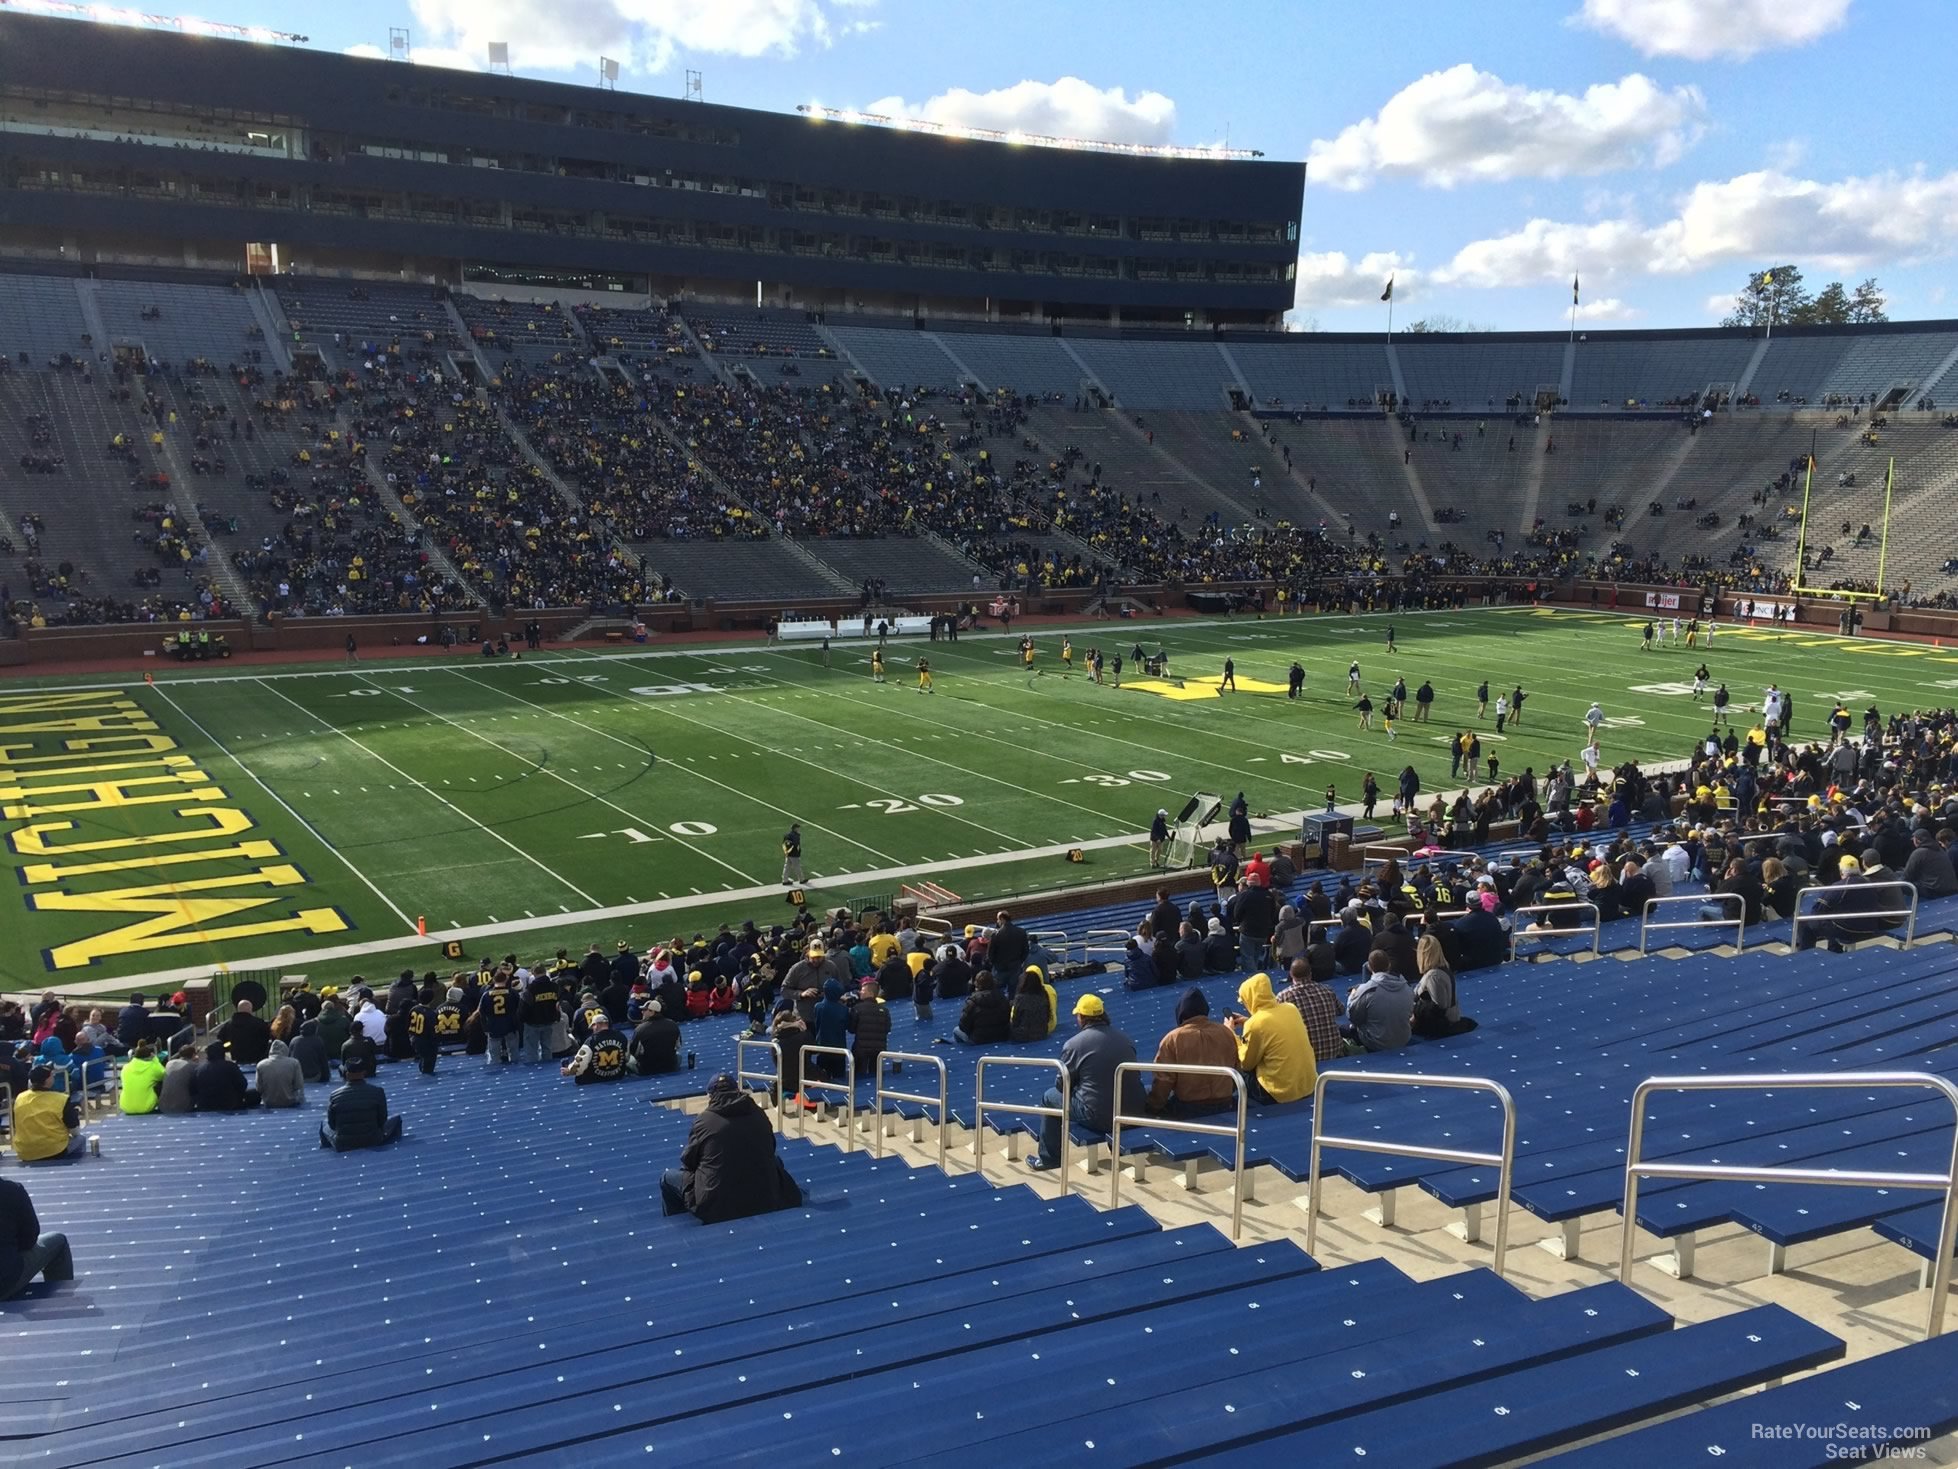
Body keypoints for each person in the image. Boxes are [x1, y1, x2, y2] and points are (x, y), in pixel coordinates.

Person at [661, 1073, 802, 1223]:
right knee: (776, 1160)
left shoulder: (704, 1121)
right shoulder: (758, 1113)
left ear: (711, 1095)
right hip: (765, 1197)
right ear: (737, 1090)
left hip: (717, 1207)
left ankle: (677, 1225)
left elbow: (689, 1162)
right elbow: (771, 1147)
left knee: (667, 1178)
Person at [1032, 995, 1140, 1170]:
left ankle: (1049, 1158)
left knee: (1049, 1097)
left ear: (1082, 1017)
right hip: (1131, 1110)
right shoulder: (1125, 1039)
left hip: (1097, 1115)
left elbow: (1062, 1085)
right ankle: (1117, 1147)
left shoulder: (1074, 1044)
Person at [1146, 988, 1241, 1117]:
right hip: (1225, 1103)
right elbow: (1237, 1069)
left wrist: (1152, 1108)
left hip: (1188, 1108)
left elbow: (1163, 1081)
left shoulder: (1173, 1039)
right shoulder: (1226, 1033)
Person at [1225, 972, 1316, 1104]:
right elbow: (1272, 1027)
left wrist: (1232, 1035)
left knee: (1239, 1074)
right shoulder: (1291, 1009)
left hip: (1278, 1091)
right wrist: (1249, 1021)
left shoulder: (1255, 1024)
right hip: (1308, 1085)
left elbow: (1246, 1063)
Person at [1, 1176, 74, 1299]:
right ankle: (61, 1303)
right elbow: (29, 1239)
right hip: (4, 1282)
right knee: (58, 1241)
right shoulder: (12, 1190)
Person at [318, 1057, 402, 1151]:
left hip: (343, 1143)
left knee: (324, 1123)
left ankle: (325, 1150)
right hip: (373, 1140)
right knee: (396, 1118)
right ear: (364, 1073)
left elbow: (332, 1125)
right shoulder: (377, 1092)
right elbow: (382, 1120)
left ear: (346, 1074)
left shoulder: (334, 1095)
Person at [1276, 955, 1345, 1068]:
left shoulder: (1283, 997)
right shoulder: (1327, 990)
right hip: (1334, 1051)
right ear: (1310, 973)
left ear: (1291, 975)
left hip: (1305, 1056)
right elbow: (1340, 1010)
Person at [11, 1066, 85, 1161]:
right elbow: (75, 1131)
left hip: (25, 1151)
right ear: (48, 1080)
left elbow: (15, 1125)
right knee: (80, 1139)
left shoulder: (19, 1098)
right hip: (54, 1150)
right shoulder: (61, 1099)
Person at [1345, 952, 1414, 1053]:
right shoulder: (1406, 987)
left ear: (1369, 966)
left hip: (1375, 1042)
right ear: (1389, 964)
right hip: (1403, 1039)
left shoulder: (1367, 991)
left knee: (1342, 1029)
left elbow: (1353, 1017)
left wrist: (1352, 997)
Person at [1412, 935, 1476, 1038]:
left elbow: (1440, 1006)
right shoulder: (1442, 970)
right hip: (1448, 1017)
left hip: (1442, 1022)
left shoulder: (1434, 976)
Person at [560, 1015, 629, 1083]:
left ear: (596, 1025)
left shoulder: (591, 1041)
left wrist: (569, 1071)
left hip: (593, 1079)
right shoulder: (621, 1037)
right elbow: (627, 1056)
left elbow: (580, 1062)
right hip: (617, 1076)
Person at [192, 1042, 257, 1111]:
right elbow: (242, 1084)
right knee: (255, 1094)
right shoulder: (230, 1066)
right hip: (230, 1104)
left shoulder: (199, 1069)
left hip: (205, 1105)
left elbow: (193, 1089)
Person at [953, 972, 1010, 1045]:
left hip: (979, 1039)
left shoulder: (972, 1001)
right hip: (1002, 1036)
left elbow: (963, 1025)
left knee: (956, 1030)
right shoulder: (1002, 997)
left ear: (977, 984)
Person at [477, 972, 522, 1065]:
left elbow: (481, 1013)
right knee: (514, 1053)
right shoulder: (512, 993)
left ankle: (496, 1072)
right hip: (510, 1025)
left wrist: (485, 1028)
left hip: (493, 1026)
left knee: (494, 1055)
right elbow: (520, 1009)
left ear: (494, 980)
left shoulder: (486, 995)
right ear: (505, 980)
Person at [216, 999, 272, 1066]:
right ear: (251, 1010)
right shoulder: (260, 1024)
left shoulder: (228, 1026)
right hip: (257, 1059)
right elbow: (267, 1039)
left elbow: (222, 1042)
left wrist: (230, 1045)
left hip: (238, 1059)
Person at [118, 1040, 167, 1116]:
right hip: (147, 1107)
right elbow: (164, 1074)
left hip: (126, 1107)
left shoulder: (125, 1068)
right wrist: (155, 1060)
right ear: (150, 1056)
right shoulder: (152, 1067)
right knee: (160, 1083)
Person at [255, 1039, 307, 1107]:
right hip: (290, 1101)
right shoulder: (294, 1063)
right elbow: (298, 1085)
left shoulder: (260, 1065)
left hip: (268, 1102)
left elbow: (259, 1088)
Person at [1009, 968, 1052, 1041]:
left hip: (1022, 1035)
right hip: (1042, 1032)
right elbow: (1047, 1014)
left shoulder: (1019, 999)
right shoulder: (1044, 994)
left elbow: (1015, 1020)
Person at [157, 1042, 199, 1114]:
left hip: (163, 1106)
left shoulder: (169, 1063)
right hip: (183, 1107)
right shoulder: (193, 1066)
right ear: (193, 1055)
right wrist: (196, 1063)